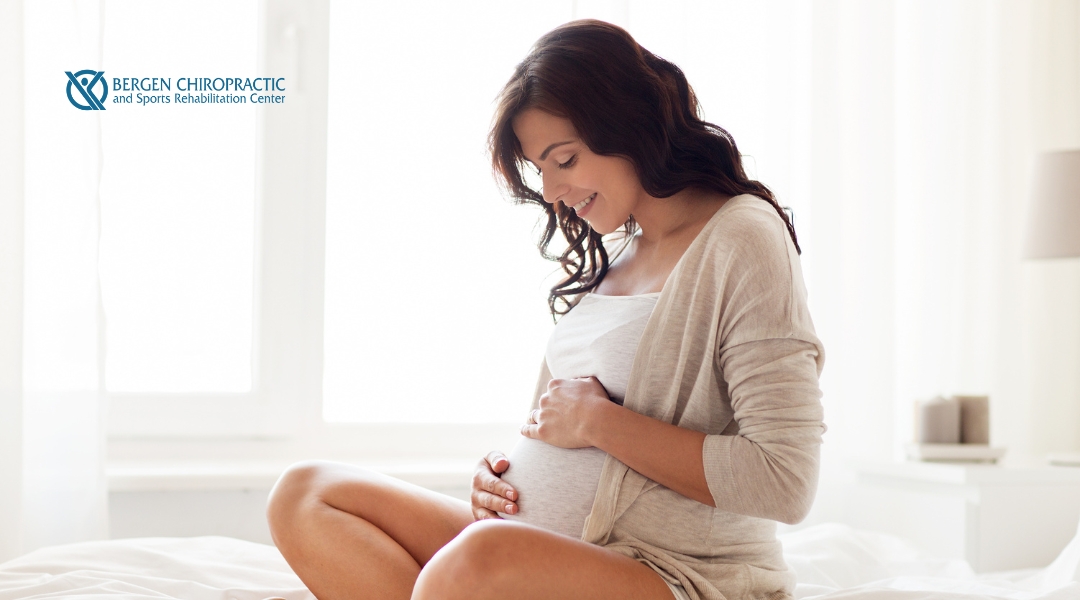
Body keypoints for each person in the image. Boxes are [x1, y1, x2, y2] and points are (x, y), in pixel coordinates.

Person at [266, 19, 825, 600]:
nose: (552, 192)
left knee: (475, 562)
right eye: (541, 169)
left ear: (626, 123)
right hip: (530, 549)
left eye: (565, 159)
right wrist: (501, 475)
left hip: (671, 569)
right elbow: (554, 424)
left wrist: (601, 424)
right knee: (306, 492)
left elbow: (784, 480)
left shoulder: (741, 237)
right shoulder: (616, 254)